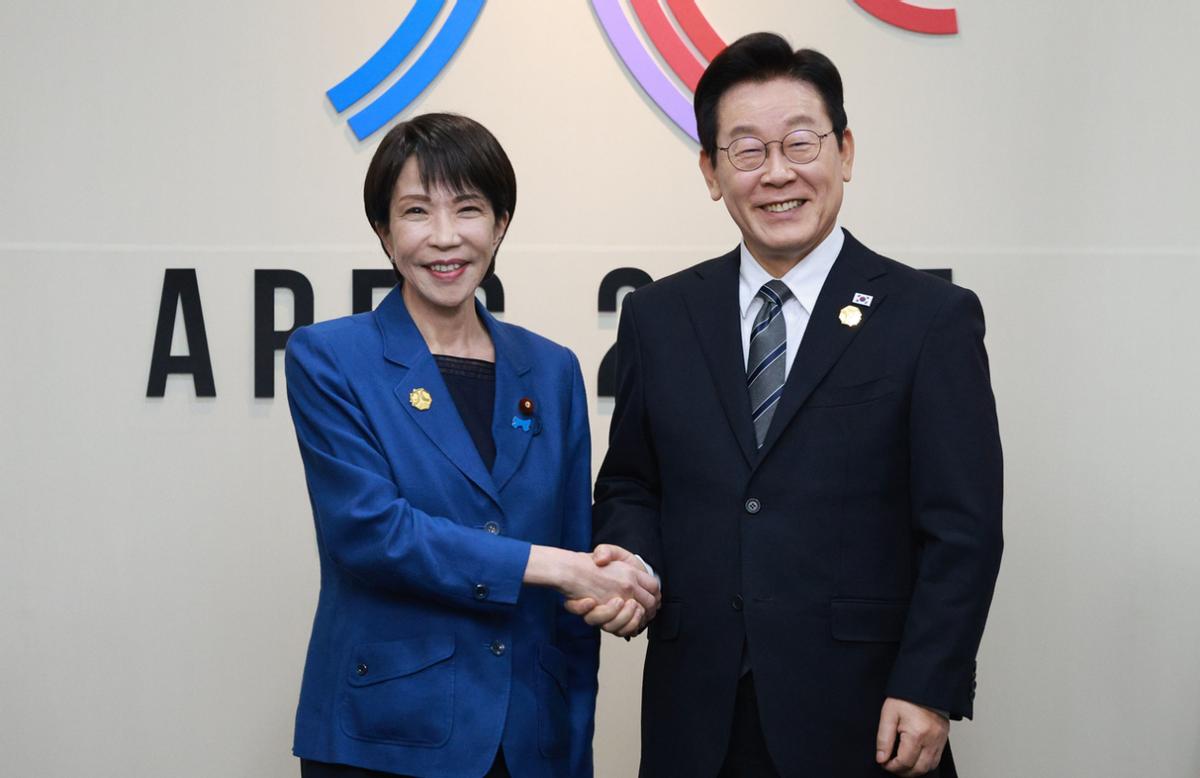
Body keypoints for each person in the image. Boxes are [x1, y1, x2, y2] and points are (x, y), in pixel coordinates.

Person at [579, 33, 1003, 777]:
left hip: (865, 714)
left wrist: (928, 685)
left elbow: (961, 529)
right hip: (697, 716)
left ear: (845, 152)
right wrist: (633, 563)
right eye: (747, 151)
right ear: (711, 172)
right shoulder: (658, 316)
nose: (777, 173)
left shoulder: (929, 318)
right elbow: (632, 484)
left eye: (800, 143)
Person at [285, 113, 659, 778]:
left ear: (501, 224)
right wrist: (562, 568)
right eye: (415, 211)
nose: (444, 236)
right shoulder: (331, 357)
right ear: (384, 231)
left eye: (468, 209)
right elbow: (371, 534)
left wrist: (607, 594)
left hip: (530, 739)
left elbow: (575, 555)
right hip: (388, 735)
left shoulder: (552, 370)